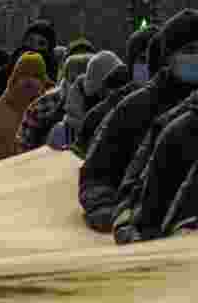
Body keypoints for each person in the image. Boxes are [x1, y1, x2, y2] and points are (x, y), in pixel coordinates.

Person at [80, 9, 198, 234]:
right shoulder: (136, 107)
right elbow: (96, 173)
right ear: (169, 57)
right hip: (135, 230)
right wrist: (113, 214)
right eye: (190, 50)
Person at [77, 26, 158, 153]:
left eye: (157, 58)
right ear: (131, 65)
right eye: (143, 59)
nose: (151, 65)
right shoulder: (107, 111)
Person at [18, 51, 90, 152]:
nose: (77, 85)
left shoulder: (102, 106)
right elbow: (24, 146)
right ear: (65, 80)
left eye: (83, 81)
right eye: (73, 80)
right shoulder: (43, 105)